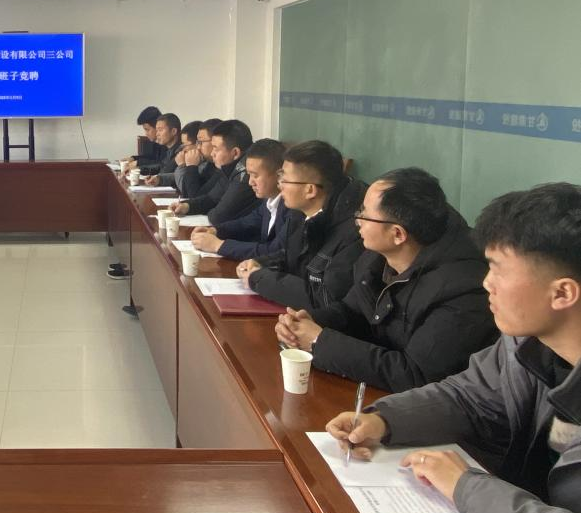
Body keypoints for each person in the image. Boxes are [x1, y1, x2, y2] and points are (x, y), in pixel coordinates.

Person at [326, 183, 581, 513]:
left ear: (563, 292)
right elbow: (468, 397)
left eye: (499, 270)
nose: (486, 283)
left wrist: (466, 487)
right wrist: (384, 420)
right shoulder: (525, 343)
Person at [275, 167, 496, 392]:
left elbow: (415, 376)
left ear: (398, 234)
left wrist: (319, 341)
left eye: (364, 214)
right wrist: (307, 324)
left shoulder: (464, 289)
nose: (357, 220)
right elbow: (352, 312)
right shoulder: (376, 258)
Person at [240, 140, 365, 309]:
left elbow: (324, 298)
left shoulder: (354, 232)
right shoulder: (300, 212)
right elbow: (290, 256)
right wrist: (260, 263)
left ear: (310, 190)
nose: (280, 185)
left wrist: (259, 278)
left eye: (285, 180)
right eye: (280, 177)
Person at [190, 138, 288, 261]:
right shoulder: (268, 200)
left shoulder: (292, 209)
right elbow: (246, 223)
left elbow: (274, 251)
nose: (250, 182)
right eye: (249, 175)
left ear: (279, 176)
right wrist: (216, 230)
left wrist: (218, 245)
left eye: (255, 175)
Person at [170, 119, 258, 226]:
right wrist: (187, 206)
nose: (212, 154)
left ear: (235, 153)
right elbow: (211, 199)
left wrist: (212, 208)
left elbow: (218, 216)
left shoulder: (246, 173)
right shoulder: (229, 167)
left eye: (216, 148)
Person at [175, 118, 221, 198]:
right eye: (197, 142)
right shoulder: (210, 164)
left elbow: (194, 197)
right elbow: (186, 193)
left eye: (201, 142)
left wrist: (191, 167)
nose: (198, 147)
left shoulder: (221, 168)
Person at [145, 115, 190, 187]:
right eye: (157, 130)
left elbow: (166, 171)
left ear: (173, 131)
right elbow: (161, 166)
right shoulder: (168, 149)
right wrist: (139, 169)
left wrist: (159, 178)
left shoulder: (182, 150)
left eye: (160, 130)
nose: (157, 134)